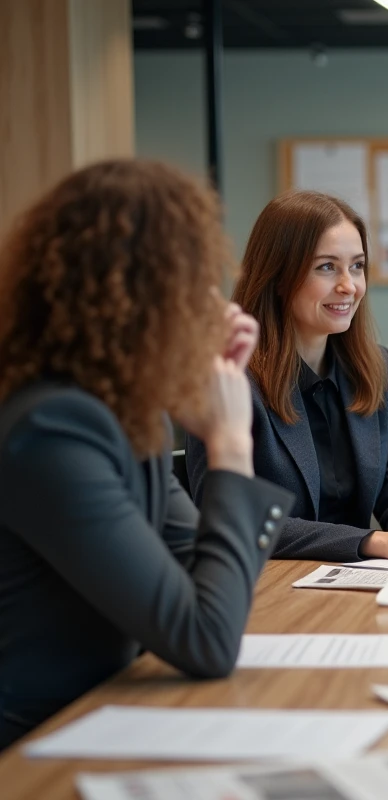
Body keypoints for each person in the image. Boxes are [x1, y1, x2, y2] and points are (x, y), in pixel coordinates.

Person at [0, 160, 295, 749]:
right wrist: (231, 444)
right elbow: (207, 639)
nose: (215, 305)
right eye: (194, 285)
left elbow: (201, 580)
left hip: (104, 716)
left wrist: (190, 383)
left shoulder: (122, 414)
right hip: (38, 750)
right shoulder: (53, 427)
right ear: (142, 300)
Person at [187, 191, 388, 564]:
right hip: (267, 589)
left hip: (351, 586)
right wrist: (373, 542)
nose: (349, 285)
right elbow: (233, 518)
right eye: (326, 267)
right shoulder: (230, 378)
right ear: (278, 276)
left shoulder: (376, 368)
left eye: (357, 266)